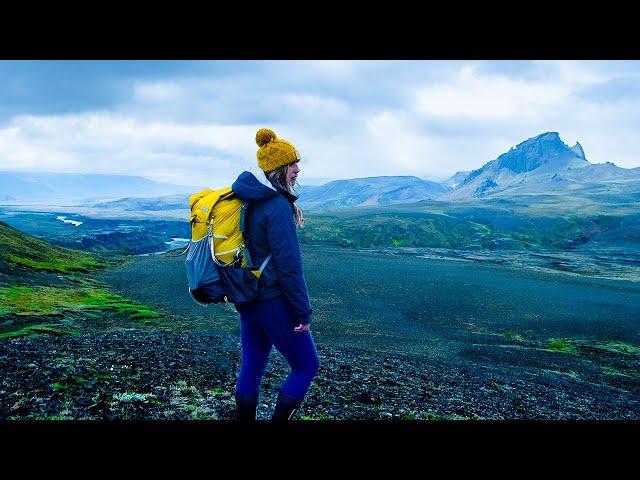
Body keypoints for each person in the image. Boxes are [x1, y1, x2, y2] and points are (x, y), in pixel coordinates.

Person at [230, 128, 320, 421]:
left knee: (252, 366)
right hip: (272, 301)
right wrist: (302, 313)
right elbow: (289, 267)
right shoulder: (278, 206)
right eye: (292, 164)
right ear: (278, 169)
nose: (297, 169)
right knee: (306, 366)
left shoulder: (251, 201)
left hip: (249, 300)